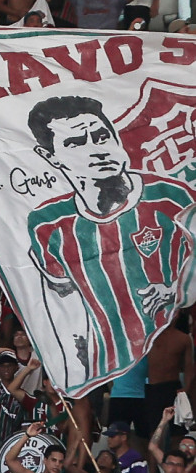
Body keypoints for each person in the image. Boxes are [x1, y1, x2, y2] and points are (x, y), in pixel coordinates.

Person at [26, 94, 191, 391]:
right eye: (76, 143)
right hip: (110, 372)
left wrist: (174, 291)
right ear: (51, 157)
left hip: (170, 369)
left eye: (101, 136)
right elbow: (66, 309)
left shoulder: (171, 197)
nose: (97, 149)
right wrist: (75, 375)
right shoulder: (47, 224)